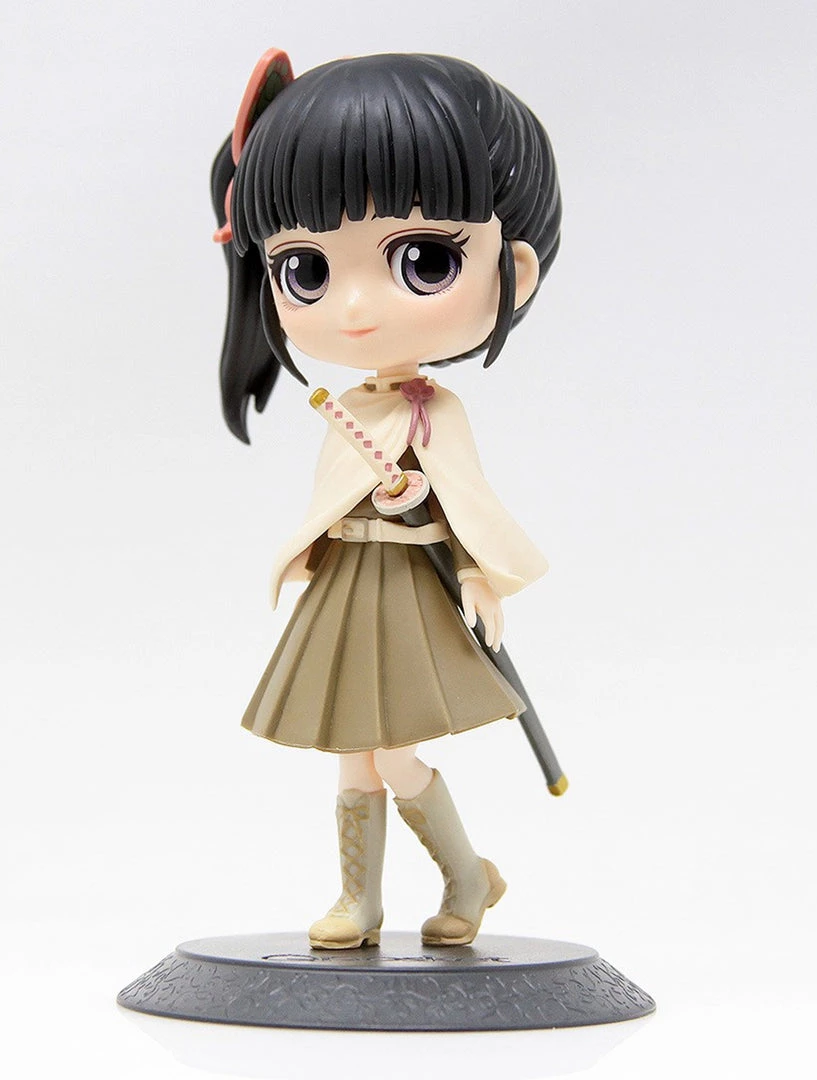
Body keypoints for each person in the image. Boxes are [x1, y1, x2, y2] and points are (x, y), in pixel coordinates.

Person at [212, 51, 562, 949]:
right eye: (306, 270)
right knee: (350, 754)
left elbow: (468, 500)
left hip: (411, 588)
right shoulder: (346, 411)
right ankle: (359, 902)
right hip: (348, 589)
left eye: (423, 259)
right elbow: (332, 497)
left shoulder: (433, 412)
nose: (357, 310)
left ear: (513, 270)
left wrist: (480, 576)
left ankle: (465, 876)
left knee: (394, 751)